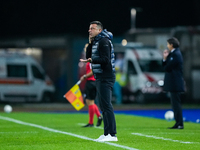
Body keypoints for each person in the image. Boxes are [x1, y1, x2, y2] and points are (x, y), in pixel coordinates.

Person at [80, 21, 117, 142]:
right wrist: (90, 43)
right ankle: (106, 133)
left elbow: (105, 60)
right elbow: (88, 55)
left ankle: (112, 134)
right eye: (89, 28)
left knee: (107, 105)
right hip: (100, 76)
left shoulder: (104, 41)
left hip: (106, 76)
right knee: (103, 105)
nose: (89, 30)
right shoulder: (96, 41)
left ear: (99, 30)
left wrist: (93, 60)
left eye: (92, 28)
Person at [162, 37, 185, 129]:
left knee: (176, 104)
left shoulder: (176, 54)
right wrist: (165, 58)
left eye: (168, 44)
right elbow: (166, 66)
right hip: (174, 83)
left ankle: (179, 123)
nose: (167, 46)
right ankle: (178, 123)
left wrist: (165, 59)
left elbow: (167, 68)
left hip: (175, 83)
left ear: (171, 44)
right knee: (175, 104)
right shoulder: (174, 54)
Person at [80, 44, 102, 128]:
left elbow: (93, 71)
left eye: (86, 47)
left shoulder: (92, 59)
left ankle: (91, 122)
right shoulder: (92, 58)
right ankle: (98, 117)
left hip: (91, 82)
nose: (85, 49)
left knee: (90, 102)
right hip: (93, 82)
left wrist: (85, 76)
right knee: (90, 101)